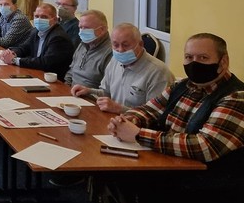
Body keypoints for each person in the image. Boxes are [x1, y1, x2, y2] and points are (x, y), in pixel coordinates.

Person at [105, 33, 244, 201]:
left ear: (223, 62)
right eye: (189, 57)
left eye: (203, 57)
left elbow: (205, 146)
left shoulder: (236, 97)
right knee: (112, 174)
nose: (194, 63)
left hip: (206, 184)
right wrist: (127, 120)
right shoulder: (182, 86)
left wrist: (138, 134)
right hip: (168, 164)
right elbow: (149, 109)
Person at [71, 23, 174, 113]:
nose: (120, 50)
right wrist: (89, 91)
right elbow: (106, 93)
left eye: (126, 45)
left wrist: (120, 109)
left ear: (140, 44)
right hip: (112, 119)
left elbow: (154, 115)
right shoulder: (115, 61)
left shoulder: (158, 72)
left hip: (136, 126)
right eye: (115, 45)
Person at [0, 3, 74, 78]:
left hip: (52, 79)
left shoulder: (58, 37)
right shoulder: (35, 31)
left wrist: (14, 60)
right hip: (36, 72)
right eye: (36, 16)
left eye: (44, 17)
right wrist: (11, 52)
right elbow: (24, 48)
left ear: (55, 20)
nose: (39, 19)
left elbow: (45, 63)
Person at [63, 10, 112, 88]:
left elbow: (107, 90)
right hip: (71, 91)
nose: (82, 31)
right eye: (80, 27)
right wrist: (65, 87)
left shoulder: (110, 52)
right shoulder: (83, 44)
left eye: (86, 28)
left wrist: (87, 92)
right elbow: (71, 71)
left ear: (102, 30)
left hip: (90, 94)